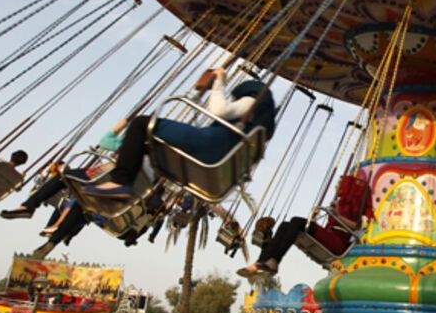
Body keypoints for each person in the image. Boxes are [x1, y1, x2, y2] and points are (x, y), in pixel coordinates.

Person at [82, 70, 276, 198]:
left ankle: (120, 181)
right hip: (215, 159)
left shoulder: (252, 102)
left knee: (142, 124)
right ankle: (122, 189)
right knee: (148, 143)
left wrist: (219, 82)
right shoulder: (254, 132)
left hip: (206, 144)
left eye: (235, 97)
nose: (233, 100)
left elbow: (218, 111)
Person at [237, 175, 373, 278]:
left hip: (338, 243)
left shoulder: (355, 208)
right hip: (330, 236)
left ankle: (274, 261)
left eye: (339, 184)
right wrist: (316, 218)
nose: (335, 187)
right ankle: (262, 261)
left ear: (348, 187)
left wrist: (337, 215)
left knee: (296, 221)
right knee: (285, 225)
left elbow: (356, 227)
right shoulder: (339, 203)